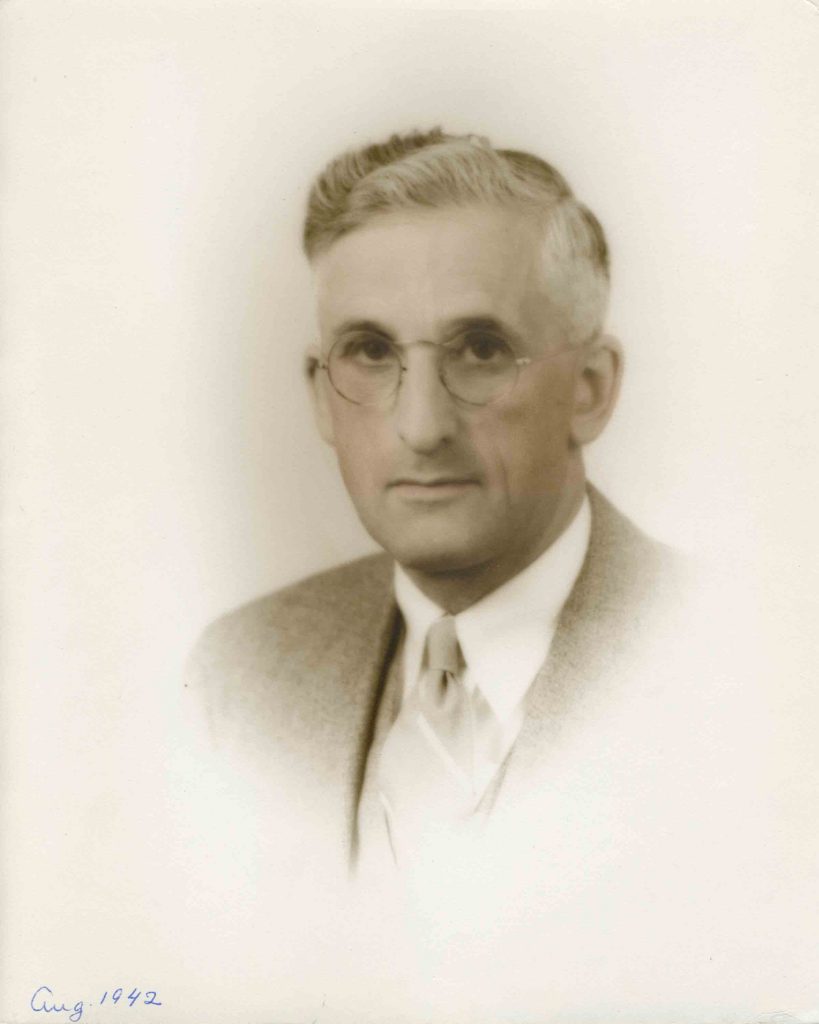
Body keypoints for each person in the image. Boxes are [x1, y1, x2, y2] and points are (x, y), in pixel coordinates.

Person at [185, 129, 815, 1019]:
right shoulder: (240, 676)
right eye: (370, 351)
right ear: (322, 395)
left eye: (479, 349)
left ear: (590, 388)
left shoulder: (766, 675)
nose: (420, 426)